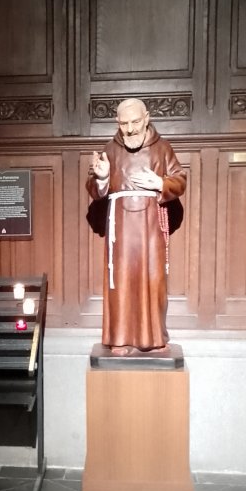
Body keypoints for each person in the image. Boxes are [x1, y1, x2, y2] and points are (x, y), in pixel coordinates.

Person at [87, 98, 186, 354]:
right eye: (124, 124)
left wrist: (161, 183)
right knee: (121, 279)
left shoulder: (162, 148)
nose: (130, 130)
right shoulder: (110, 149)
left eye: (135, 122)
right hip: (120, 227)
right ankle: (120, 339)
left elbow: (180, 180)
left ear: (147, 118)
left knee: (153, 280)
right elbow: (94, 189)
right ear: (117, 123)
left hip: (151, 225)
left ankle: (153, 338)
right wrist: (102, 178)